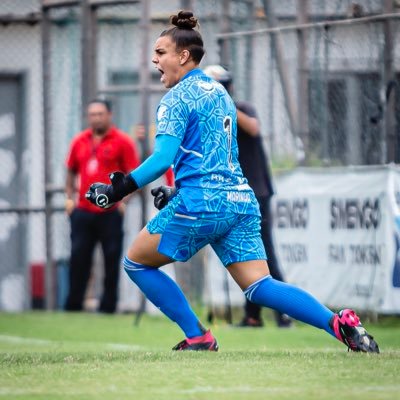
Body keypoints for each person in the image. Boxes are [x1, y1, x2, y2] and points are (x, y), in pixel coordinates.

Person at [85, 10, 379, 353]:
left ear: (183, 56)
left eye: (160, 53)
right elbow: (215, 156)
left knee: (136, 261)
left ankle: (198, 336)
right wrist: (179, 189)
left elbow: (162, 159)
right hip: (239, 200)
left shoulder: (175, 99)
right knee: (259, 285)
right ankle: (339, 324)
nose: (154, 59)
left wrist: (117, 190)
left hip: (202, 204)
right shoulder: (220, 94)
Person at [203, 65, 291, 328]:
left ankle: (283, 313)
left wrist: (225, 101)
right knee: (246, 255)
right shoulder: (212, 118)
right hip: (232, 195)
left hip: (256, 193)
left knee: (265, 255)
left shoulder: (240, 108)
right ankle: (252, 316)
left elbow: (254, 128)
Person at [64, 99, 140, 313]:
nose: (96, 118)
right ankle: (73, 305)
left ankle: (108, 306)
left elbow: (134, 177)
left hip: (111, 212)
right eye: (92, 114)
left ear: (109, 115)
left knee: (111, 258)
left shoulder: (123, 141)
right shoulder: (79, 141)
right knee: (79, 258)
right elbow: (70, 171)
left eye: (100, 113)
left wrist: (123, 201)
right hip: (82, 212)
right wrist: (68, 199)